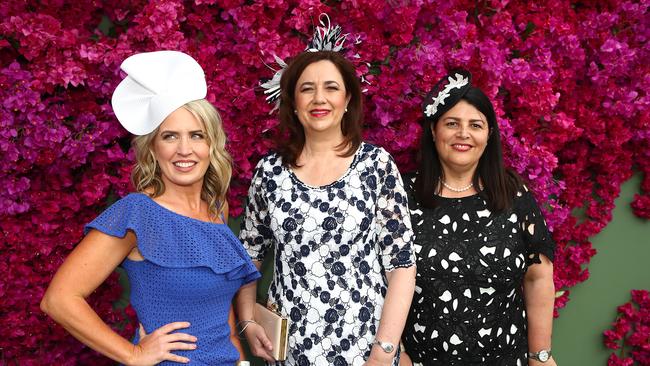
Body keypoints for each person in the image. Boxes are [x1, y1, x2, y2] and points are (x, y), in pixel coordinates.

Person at [40, 51, 260, 365]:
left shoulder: (216, 208)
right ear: (154, 149)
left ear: (212, 145)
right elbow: (59, 300)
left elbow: (220, 317)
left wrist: (240, 361)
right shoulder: (138, 213)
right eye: (170, 136)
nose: (185, 150)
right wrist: (133, 354)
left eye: (196, 135)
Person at [235, 50, 416, 366]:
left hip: (367, 350)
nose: (319, 98)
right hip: (291, 352)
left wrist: (384, 351)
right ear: (292, 102)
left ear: (348, 100)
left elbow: (401, 264)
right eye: (307, 89)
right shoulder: (270, 172)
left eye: (331, 87)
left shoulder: (376, 166)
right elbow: (249, 255)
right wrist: (248, 320)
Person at [400, 70, 557, 366]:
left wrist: (540, 355)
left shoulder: (513, 194)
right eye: (452, 124)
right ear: (433, 131)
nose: (464, 134)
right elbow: (377, 280)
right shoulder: (402, 195)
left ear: (489, 135)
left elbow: (538, 278)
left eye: (475, 125)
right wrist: (397, 353)